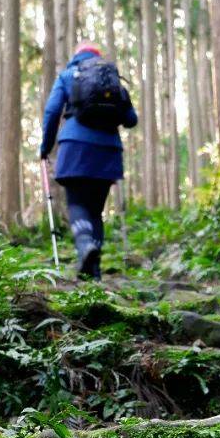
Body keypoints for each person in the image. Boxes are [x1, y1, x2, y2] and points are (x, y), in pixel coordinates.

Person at [40, 42, 138, 280]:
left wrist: (45, 147)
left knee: (77, 204)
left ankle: (84, 247)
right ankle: (93, 273)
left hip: (75, 147)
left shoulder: (67, 75)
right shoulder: (111, 79)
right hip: (108, 151)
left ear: (76, 56)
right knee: (95, 211)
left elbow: (52, 111)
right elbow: (131, 119)